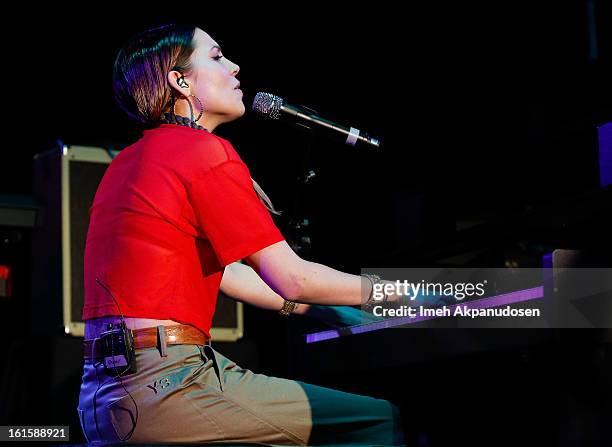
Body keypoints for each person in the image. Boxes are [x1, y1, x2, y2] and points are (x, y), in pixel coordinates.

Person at [77, 23, 405, 446]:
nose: (234, 67)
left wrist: (315, 310)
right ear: (179, 82)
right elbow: (294, 278)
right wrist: (394, 292)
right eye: (216, 57)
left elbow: (230, 275)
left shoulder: (127, 163)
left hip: (104, 400)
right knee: (379, 422)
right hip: (171, 385)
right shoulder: (201, 152)